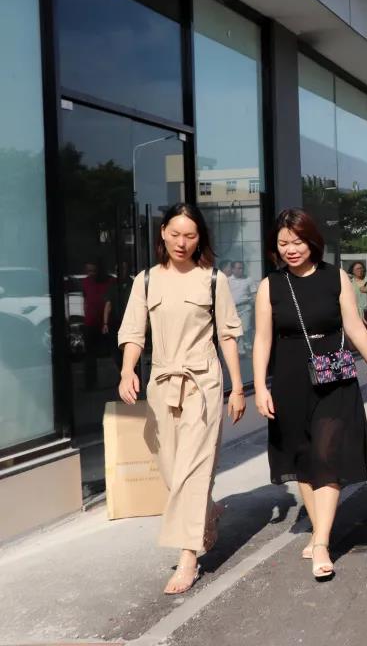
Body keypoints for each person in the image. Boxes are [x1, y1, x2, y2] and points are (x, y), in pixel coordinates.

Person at [116, 203, 246, 595]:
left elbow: (227, 335)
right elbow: (134, 331)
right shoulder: (146, 281)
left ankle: (188, 557)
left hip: (203, 383)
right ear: (162, 233)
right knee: (172, 469)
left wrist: (238, 388)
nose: (182, 242)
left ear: (199, 238)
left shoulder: (213, 279)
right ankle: (207, 512)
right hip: (161, 382)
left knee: (193, 467)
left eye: (190, 235)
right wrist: (127, 370)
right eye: (175, 234)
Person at [252, 208, 367, 581]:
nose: (291, 249)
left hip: (333, 375)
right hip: (290, 378)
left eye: (298, 241)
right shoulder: (270, 285)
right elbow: (262, 340)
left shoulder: (334, 277)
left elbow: (354, 325)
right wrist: (259, 386)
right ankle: (319, 528)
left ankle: (321, 541)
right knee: (303, 456)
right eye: (283, 243)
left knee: (326, 453)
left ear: (312, 242)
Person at [82, 260, 115, 389]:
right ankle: (90, 383)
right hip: (90, 322)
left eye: (93, 271)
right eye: (88, 271)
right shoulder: (85, 282)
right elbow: (85, 300)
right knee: (89, 355)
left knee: (114, 351)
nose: (91, 273)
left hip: (107, 322)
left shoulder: (110, 281)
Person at [227, 260, 256, 356]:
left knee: (245, 328)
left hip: (246, 308)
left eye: (242, 268)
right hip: (233, 309)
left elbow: (254, 294)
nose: (241, 270)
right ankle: (241, 350)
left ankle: (248, 345)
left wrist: (255, 305)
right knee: (237, 330)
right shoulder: (227, 280)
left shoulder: (248, 279)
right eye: (238, 268)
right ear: (232, 269)